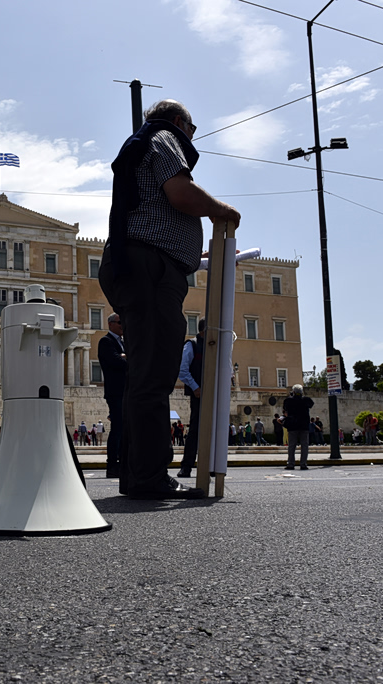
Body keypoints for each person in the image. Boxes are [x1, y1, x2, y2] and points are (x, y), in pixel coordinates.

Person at [98, 99, 240, 500]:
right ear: (181, 123)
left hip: (144, 265)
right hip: (149, 270)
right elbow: (180, 192)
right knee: (155, 376)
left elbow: (160, 213)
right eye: (192, 130)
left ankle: (140, 474)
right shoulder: (164, 137)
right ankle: (148, 477)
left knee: (147, 373)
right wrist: (220, 211)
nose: (192, 138)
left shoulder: (145, 142)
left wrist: (191, 253)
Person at [98, 312, 127, 478]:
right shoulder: (106, 341)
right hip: (115, 392)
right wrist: (124, 357)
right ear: (110, 324)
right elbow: (117, 362)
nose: (122, 325)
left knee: (123, 429)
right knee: (117, 429)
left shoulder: (123, 342)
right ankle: (112, 465)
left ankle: (122, 462)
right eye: (119, 322)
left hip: (124, 391)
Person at [177, 318, 206, 478]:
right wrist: (196, 388)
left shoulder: (215, 346)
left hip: (212, 395)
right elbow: (182, 370)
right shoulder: (192, 345)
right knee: (194, 431)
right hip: (199, 395)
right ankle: (186, 466)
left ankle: (212, 466)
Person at [283, 384, 314, 470]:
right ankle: (303, 464)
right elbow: (311, 404)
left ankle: (291, 463)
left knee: (292, 446)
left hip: (292, 426)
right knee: (304, 445)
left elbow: (285, 408)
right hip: (304, 426)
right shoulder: (306, 400)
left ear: (293, 392)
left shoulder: (288, 400)